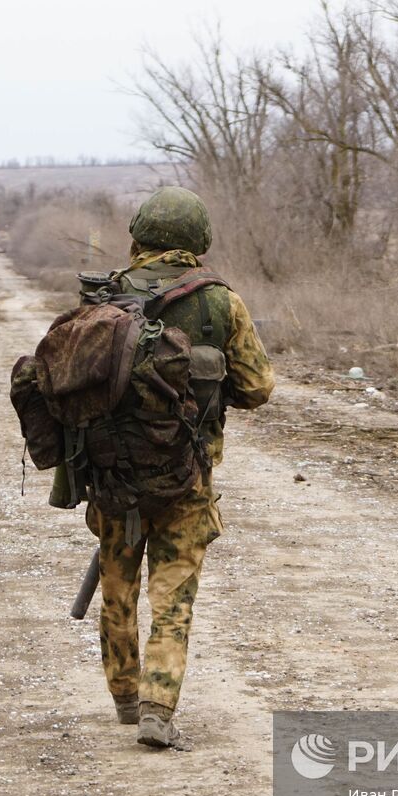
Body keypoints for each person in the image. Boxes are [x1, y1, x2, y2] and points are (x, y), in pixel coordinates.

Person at [86, 187, 274, 749]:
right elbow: (259, 387)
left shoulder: (105, 298)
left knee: (117, 586)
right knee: (174, 594)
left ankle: (123, 696)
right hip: (189, 476)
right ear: (198, 240)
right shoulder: (221, 303)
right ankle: (158, 707)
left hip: (114, 476)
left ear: (139, 235)